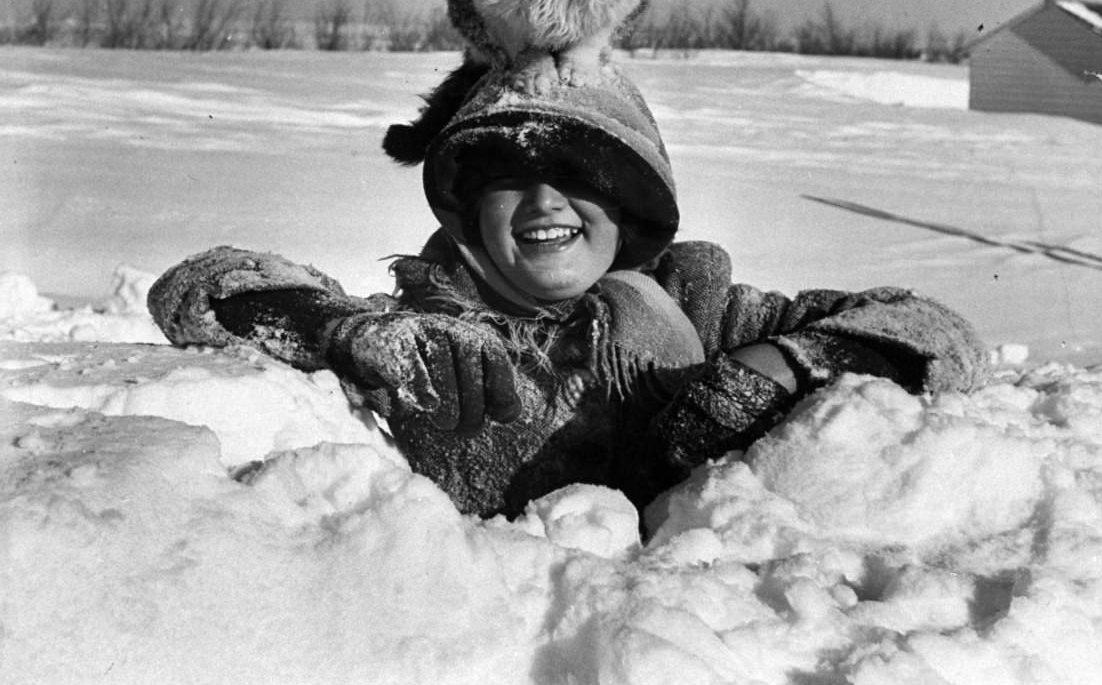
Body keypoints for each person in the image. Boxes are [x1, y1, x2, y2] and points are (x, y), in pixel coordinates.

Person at [148, 66, 989, 526]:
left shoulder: (699, 309)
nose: (546, 204)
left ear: (631, 211)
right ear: (468, 211)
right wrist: (332, 332)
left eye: (578, 177)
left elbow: (938, 331)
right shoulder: (420, 329)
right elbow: (201, 287)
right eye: (510, 180)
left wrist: (778, 368)